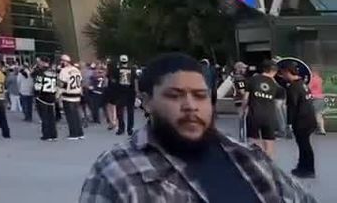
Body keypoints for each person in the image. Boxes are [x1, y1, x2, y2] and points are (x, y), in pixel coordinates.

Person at [79, 53, 317, 203]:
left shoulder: (246, 157)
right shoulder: (117, 172)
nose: (190, 106)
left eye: (200, 95)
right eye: (174, 96)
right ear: (147, 100)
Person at [279, 62, 316, 178]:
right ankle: (302, 166)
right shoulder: (303, 84)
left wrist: (289, 123)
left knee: (304, 145)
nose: (282, 76)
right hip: (309, 118)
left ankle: (308, 169)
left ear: (287, 72)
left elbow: (292, 106)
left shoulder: (293, 87)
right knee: (303, 144)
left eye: (283, 73)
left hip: (301, 120)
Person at [245, 60, 283, 157]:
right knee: (269, 143)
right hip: (269, 117)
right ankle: (269, 166)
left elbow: (245, 98)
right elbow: (278, 105)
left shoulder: (253, 80)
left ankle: (257, 165)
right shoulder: (277, 86)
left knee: (254, 142)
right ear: (274, 71)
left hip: (254, 114)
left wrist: (243, 109)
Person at [109, 54, 137, 136]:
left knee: (120, 111)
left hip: (120, 93)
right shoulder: (132, 70)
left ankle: (121, 128)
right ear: (127, 61)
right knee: (130, 111)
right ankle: (130, 129)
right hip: (130, 92)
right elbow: (135, 81)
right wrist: (137, 91)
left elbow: (113, 81)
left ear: (120, 62)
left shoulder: (116, 70)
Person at [58, 55, 85, 140]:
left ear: (65, 61)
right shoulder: (76, 70)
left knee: (70, 116)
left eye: (62, 61)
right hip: (77, 95)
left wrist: (58, 95)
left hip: (68, 96)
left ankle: (73, 134)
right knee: (77, 115)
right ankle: (80, 133)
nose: (61, 63)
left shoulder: (64, 71)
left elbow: (62, 84)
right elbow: (80, 82)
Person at [33, 58, 58, 141]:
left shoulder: (40, 73)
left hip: (42, 98)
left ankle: (46, 135)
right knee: (51, 117)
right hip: (51, 97)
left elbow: (37, 86)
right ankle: (53, 134)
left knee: (44, 117)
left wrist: (36, 95)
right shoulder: (53, 73)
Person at [307, 70, 326, 136]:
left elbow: (308, 88)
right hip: (321, 98)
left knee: (316, 114)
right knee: (319, 114)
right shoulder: (320, 79)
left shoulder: (313, 79)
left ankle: (320, 129)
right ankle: (322, 129)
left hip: (315, 98)